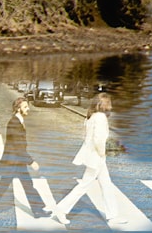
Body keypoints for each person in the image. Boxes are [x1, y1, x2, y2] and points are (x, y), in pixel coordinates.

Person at [51, 93, 126, 225]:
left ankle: (113, 215)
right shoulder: (101, 117)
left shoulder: (91, 117)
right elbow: (98, 140)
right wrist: (104, 153)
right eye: (108, 103)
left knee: (106, 185)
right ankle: (61, 209)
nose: (110, 105)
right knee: (84, 186)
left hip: (93, 155)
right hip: (97, 157)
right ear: (103, 105)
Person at [0, 97, 52, 218]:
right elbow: (18, 146)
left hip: (18, 161)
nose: (28, 109)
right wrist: (31, 161)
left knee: (28, 184)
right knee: (2, 187)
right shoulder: (14, 123)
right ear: (18, 109)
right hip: (12, 162)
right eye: (25, 107)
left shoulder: (19, 120)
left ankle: (37, 210)